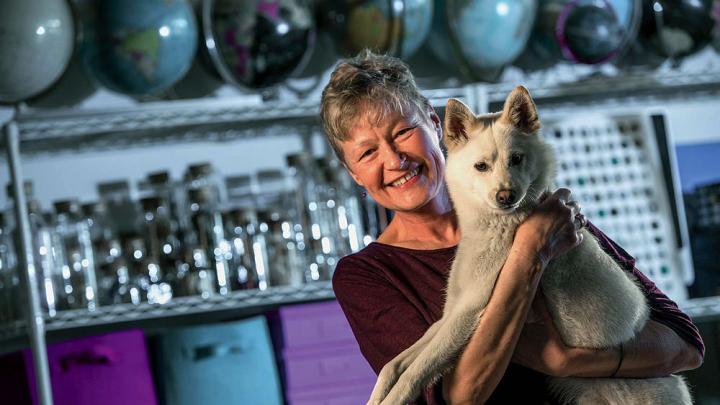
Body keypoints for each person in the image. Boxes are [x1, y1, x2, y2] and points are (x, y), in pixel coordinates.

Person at [320, 51, 704, 404]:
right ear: (354, 173)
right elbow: (459, 397)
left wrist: (569, 362)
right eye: (368, 152)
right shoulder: (366, 276)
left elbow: (686, 344)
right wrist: (529, 252)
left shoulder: (541, 208)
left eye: (402, 131)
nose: (394, 159)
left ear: (437, 126)